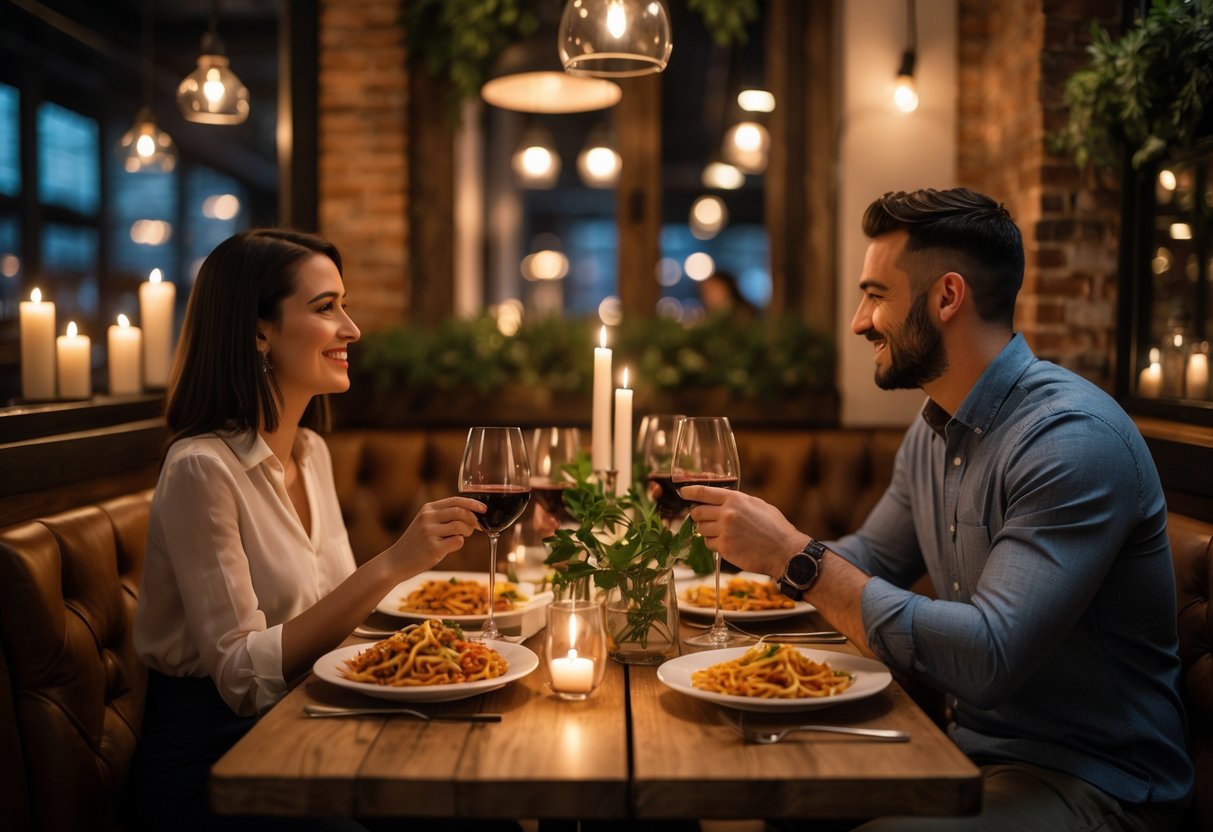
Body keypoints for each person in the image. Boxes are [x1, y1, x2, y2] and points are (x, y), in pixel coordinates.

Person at [678, 188, 1194, 831]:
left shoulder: (1070, 440)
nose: (858, 321)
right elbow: (872, 557)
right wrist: (731, 572)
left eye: (875, 295)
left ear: (947, 297)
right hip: (963, 749)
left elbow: (987, 657)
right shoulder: (934, 429)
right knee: (766, 791)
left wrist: (793, 556)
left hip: (1096, 781)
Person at [130, 229, 485, 830]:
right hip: (215, 761)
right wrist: (395, 563)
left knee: (478, 807)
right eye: (326, 308)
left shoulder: (312, 451)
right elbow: (241, 678)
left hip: (308, 721)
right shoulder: (200, 469)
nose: (352, 329)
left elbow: (332, 615)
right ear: (258, 331)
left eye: (344, 305)